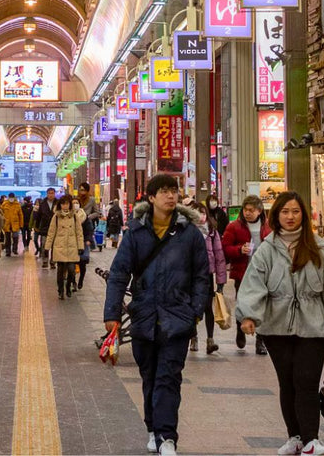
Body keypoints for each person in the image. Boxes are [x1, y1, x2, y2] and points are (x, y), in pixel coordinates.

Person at [235, 192, 324, 456]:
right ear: (276, 215)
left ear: (303, 215)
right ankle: (296, 437)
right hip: (276, 327)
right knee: (287, 383)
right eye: (285, 212)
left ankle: (312, 440)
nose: (290, 217)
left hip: (313, 327)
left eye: (296, 211)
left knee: (306, 381)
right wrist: (248, 315)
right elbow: (253, 285)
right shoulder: (266, 249)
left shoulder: (319, 248)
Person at [105, 174, 210, 456]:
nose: (170, 196)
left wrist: (195, 311)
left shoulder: (190, 233)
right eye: (163, 192)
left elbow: (202, 276)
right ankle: (153, 428)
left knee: (169, 377)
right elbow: (118, 274)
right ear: (151, 198)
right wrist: (112, 314)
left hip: (177, 318)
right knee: (149, 375)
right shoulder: (136, 232)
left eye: (173, 191)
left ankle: (167, 437)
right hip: (144, 316)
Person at [222, 195, 270, 354]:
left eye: (251, 210)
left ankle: (260, 340)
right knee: (242, 302)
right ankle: (240, 328)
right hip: (243, 272)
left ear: (259, 211)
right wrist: (238, 249)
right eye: (245, 209)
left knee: (264, 305)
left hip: (264, 274)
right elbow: (225, 248)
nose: (248, 213)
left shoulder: (268, 226)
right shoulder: (234, 226)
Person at [188, 198, 228, 355]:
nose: (200, 216)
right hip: (191, 275)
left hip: (207, 275)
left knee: (207, 308)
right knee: (192, 306)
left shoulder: (212, 232)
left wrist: (221, 281)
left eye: (203, 212)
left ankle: (210, 339)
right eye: (197, 213)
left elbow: (219, 256)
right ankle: (194, 337)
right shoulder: (187, 231)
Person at [46, 192, 86, 299]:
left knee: (72, 270)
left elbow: (79, 232)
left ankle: (68, 286)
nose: (65, 206)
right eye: (63, 204)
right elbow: (51, 232)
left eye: (67, 204)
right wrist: (47, 247)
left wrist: (81, 246)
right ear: (60, 205)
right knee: (60, 270)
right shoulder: (56, 217)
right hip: (60, 247)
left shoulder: (74, 217)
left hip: (72, 247)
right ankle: (60, 289)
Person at [34, 188, 56, 265]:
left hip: (55, 228)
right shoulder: (43, 203)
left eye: (52, 193)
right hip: (44, 228)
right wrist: (37, 226)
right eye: (49, 193)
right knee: (44, 245)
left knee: (54, 246)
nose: (51, 195)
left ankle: (53, 261)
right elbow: (39, 216)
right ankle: (45, 260)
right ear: (47, 194)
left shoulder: (58, 203)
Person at [78, 184, 103, 251]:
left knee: (86, 239)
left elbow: (97, 212)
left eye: (83, 190)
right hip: (77, 222)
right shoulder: (77, 199)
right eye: (80, 190)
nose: (81, 192)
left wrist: (88, 217)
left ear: (87, 191)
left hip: (87, 223)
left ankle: (86, 253)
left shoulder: (91, 200)